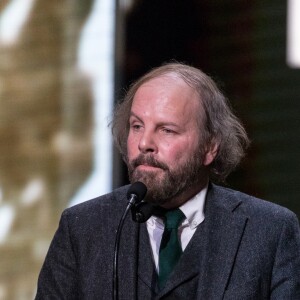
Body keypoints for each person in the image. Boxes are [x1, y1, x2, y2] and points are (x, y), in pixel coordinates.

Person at [35, 62, 300, 299]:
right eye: (136, 126)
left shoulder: (269, 232)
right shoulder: (82, 229)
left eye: (166, 130)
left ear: (210, 147)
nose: (144, 143)